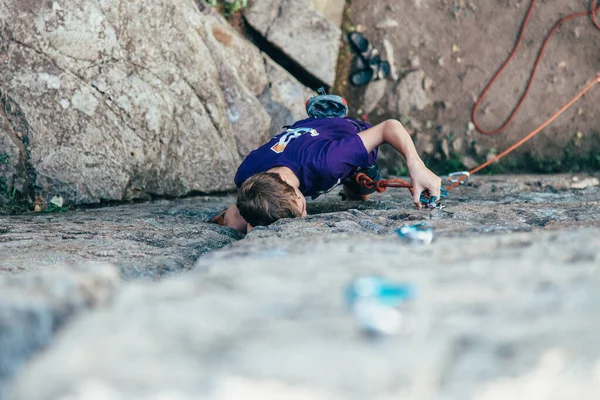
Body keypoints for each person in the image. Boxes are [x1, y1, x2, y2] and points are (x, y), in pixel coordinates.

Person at [215, 114, 442, 234]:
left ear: (284, 180)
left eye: (302, 206)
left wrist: (416, 166)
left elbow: (389, 127)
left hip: (346, 138)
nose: (304, 216)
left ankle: (356, 180)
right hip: (309, 133)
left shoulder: (328, 163)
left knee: (362, 193)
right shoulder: (245, 176)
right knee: (236, 221)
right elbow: (241, 215)